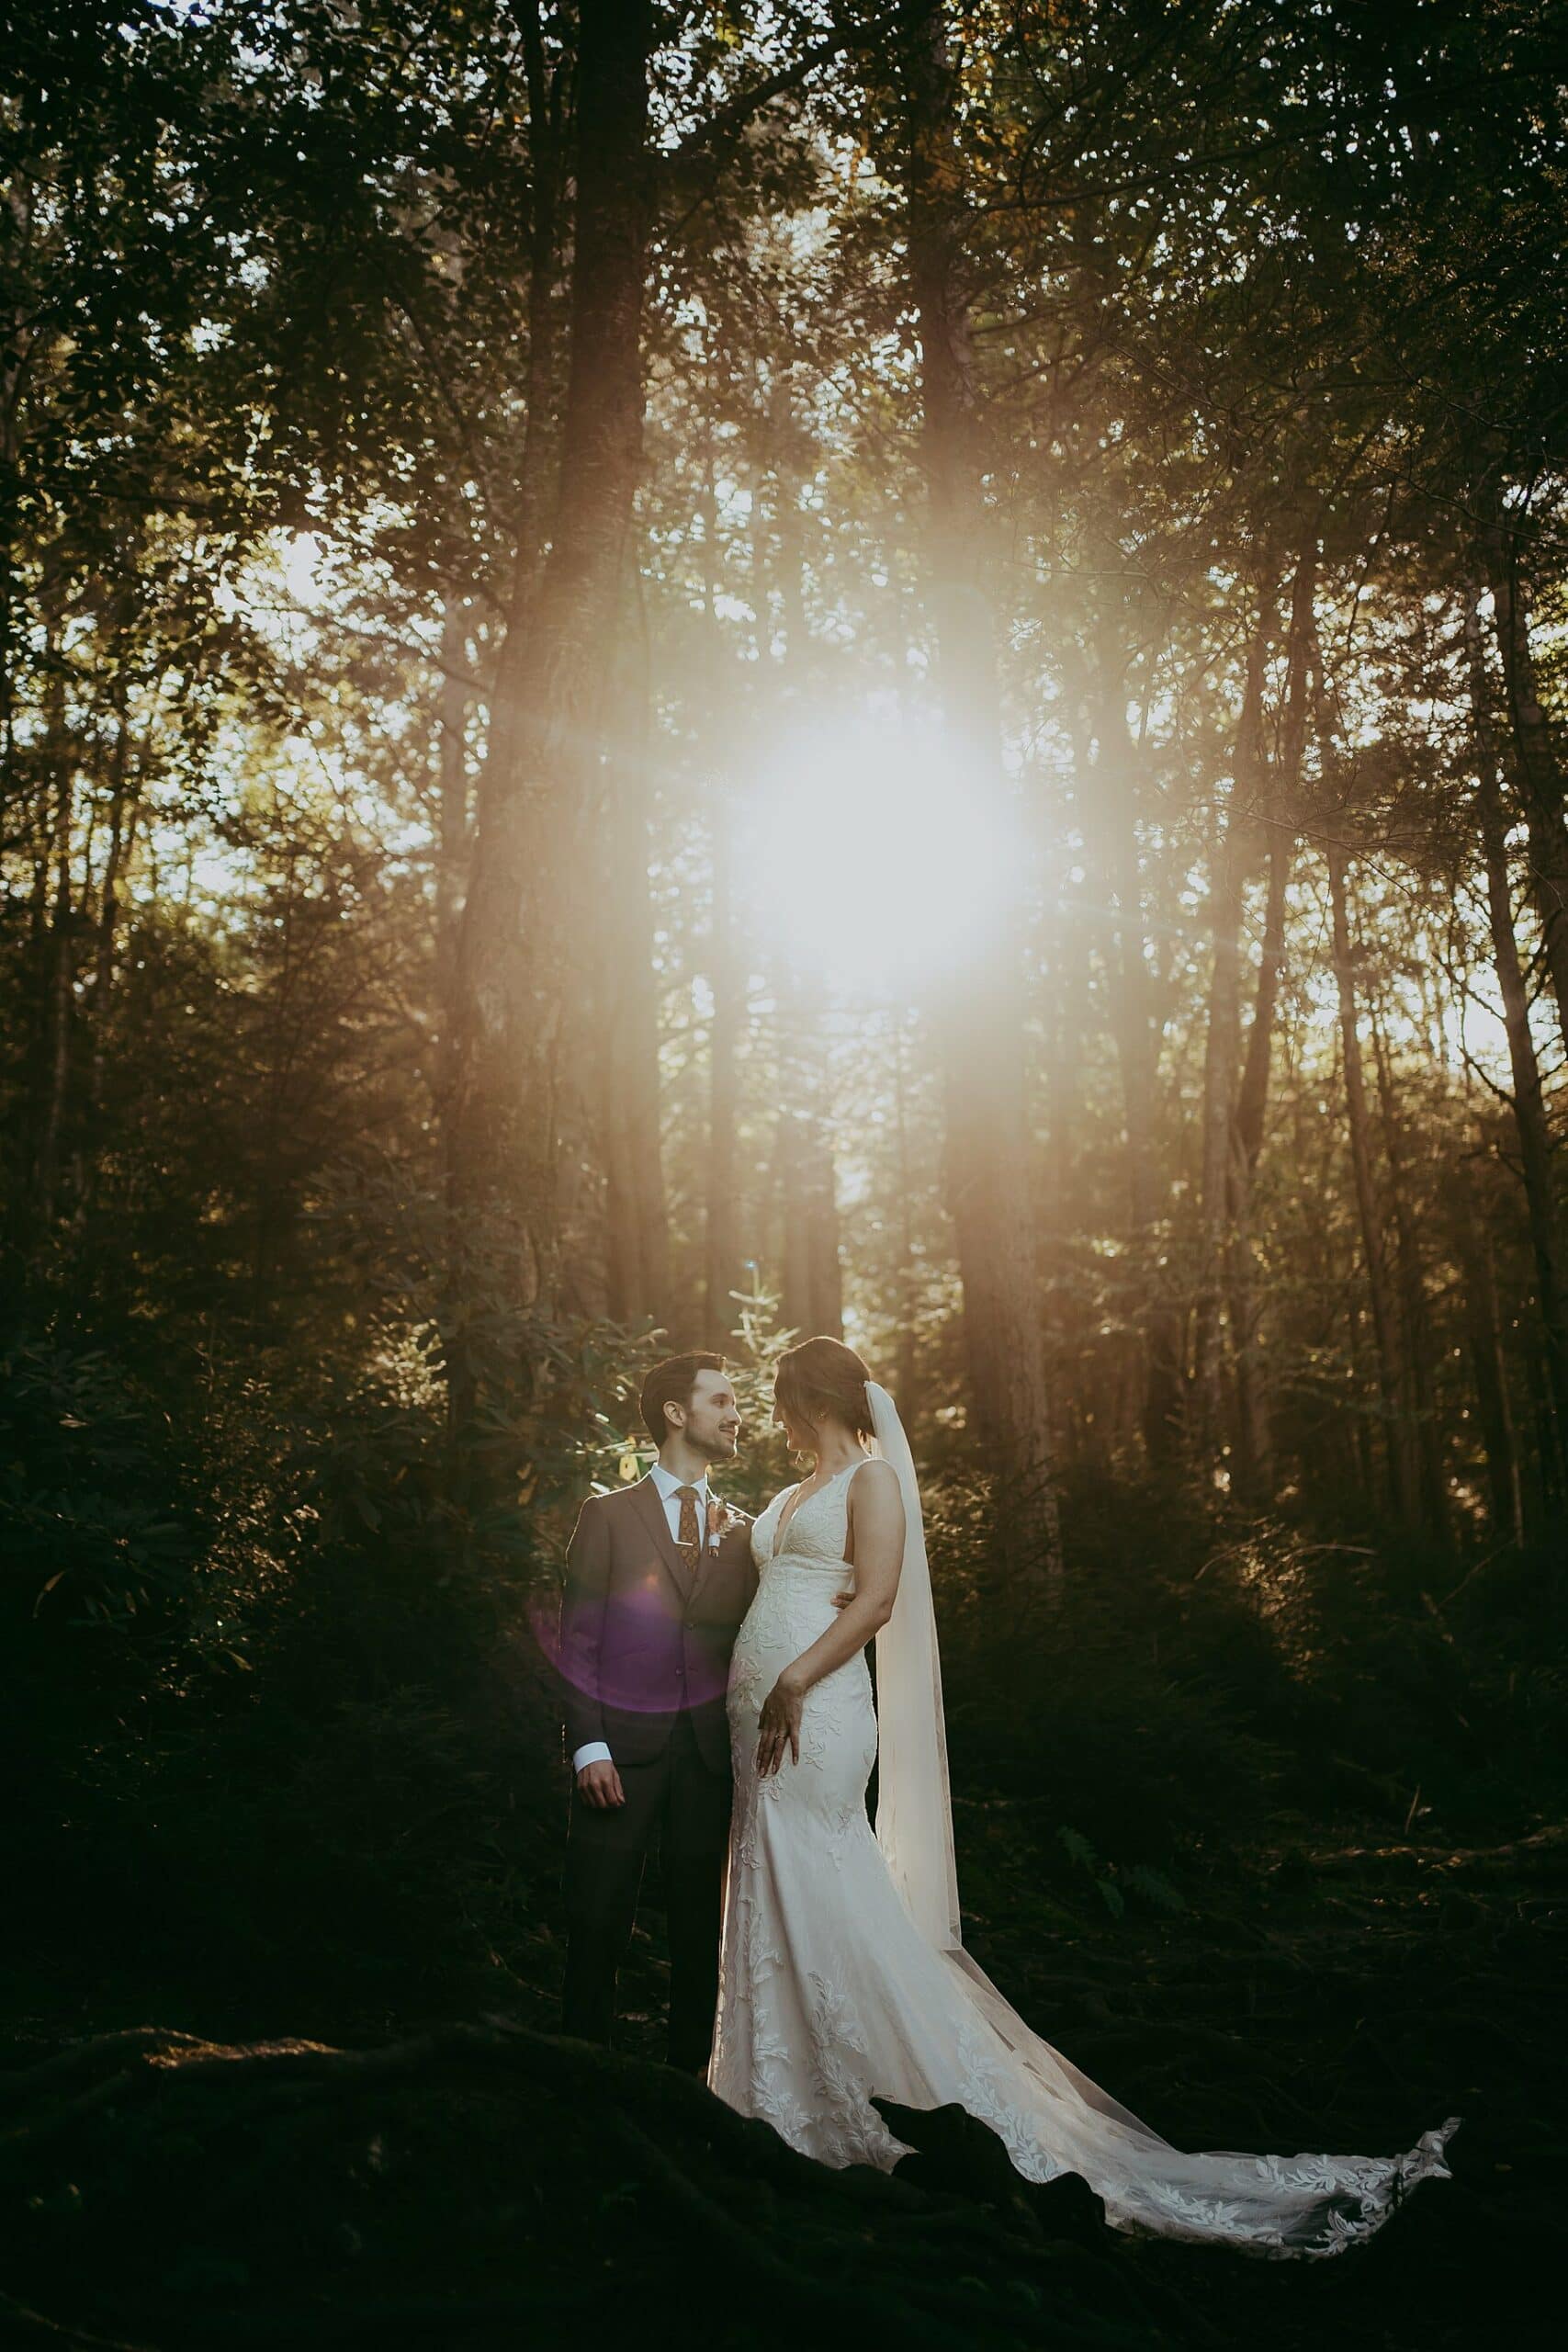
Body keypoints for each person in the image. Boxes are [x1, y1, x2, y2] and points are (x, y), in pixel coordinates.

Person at [710, 1333, 1460, 2256]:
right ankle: (775, 2085)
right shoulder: (788, 1496)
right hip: (754, 1724)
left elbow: (874, 1602)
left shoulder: (872, 1482)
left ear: (809, 1397)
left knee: (822, 1874)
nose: (777, 1414)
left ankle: (858, 2089)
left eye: (783, 1397)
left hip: (816, 1711)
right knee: (766, 1872)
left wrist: (791, 1682)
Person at [558, 1351, 755, 2074]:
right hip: (620, 1757)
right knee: (596, 1918)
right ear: (677, 1413)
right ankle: (582, 2077)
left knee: (700, 1933)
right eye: (723, 1400)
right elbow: (576, 1638)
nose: (737, 1414)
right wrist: (589, 1747)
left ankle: (690, 2083)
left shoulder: (746, 1531)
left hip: (709, 1761)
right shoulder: (606, 1516)